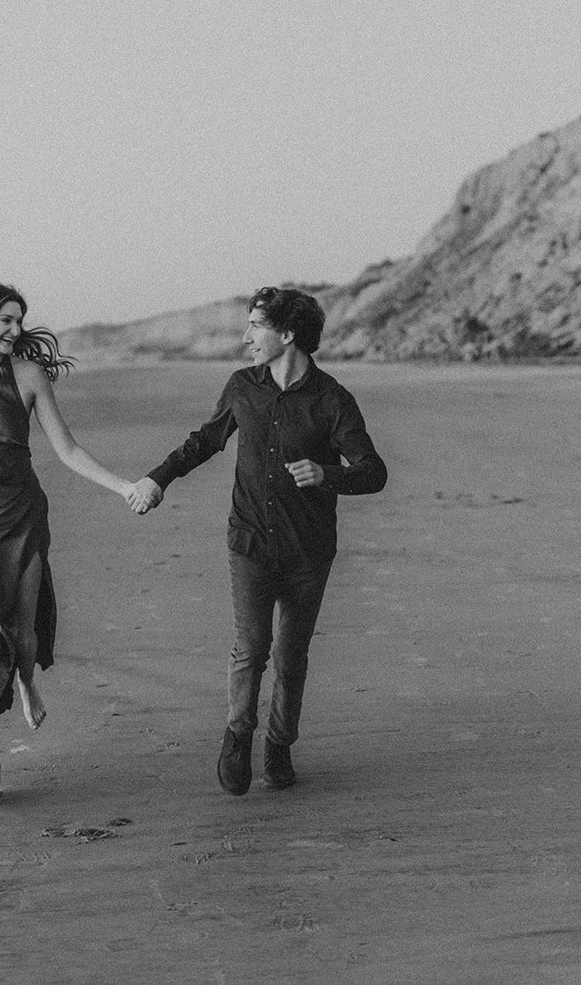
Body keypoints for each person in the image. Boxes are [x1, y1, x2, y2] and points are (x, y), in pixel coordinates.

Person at [128, 286, 387, 795]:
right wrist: (158, 478)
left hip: (309, 550)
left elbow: (374, 472)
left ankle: (279, 747)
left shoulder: (332, 400)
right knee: (251, 647)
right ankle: (237, 736)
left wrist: (327, 474)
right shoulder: (243, 386)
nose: (246, 337)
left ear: (287, 335)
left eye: (255, 326)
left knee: (291, 656)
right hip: (248, 541)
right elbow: (205, 440)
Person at [0, 280, 149, 802]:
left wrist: (124, 486)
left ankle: (26, 681)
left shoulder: (29, 374)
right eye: (7, 321)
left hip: (21, 516)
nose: (17, 331)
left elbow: (67, 450)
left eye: (20, 321)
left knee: (21, 631)